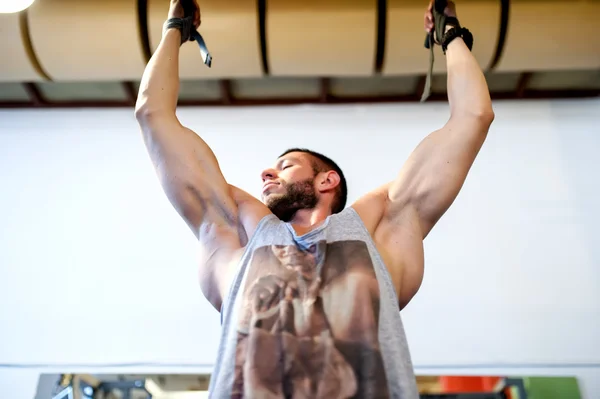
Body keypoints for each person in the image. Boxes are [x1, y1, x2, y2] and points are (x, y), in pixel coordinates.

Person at [135, 0, 494, 397]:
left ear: (328, 181)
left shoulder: (381, 232)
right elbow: (153, 114)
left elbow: (473, 117)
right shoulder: (237, 237)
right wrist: (176, 26)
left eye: (286, 165)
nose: (267, 172)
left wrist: (450, 33)